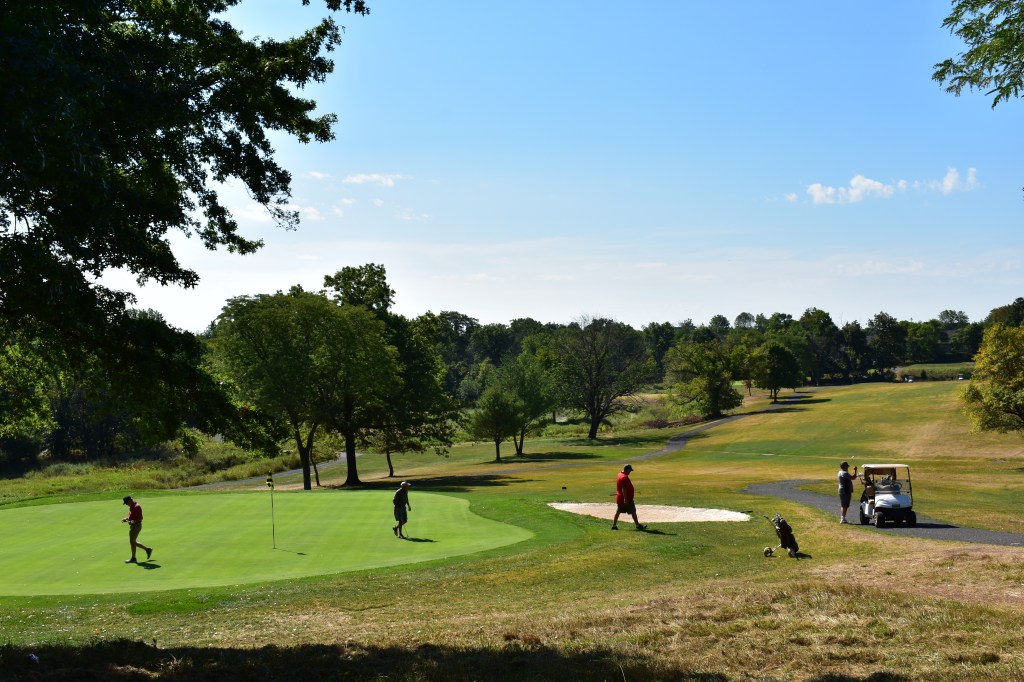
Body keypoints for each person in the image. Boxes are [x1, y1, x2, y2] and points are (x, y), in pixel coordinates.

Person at [612, 464, 646, 530]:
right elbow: (624, 489)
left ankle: (614, 525)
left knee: (618, 511)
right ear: (626, 470)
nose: (630, 472)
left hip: (620, 497)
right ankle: (638, 525)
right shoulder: (624, 477)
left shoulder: (620, 474)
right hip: (626, 499)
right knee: (633, 511)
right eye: (630, 470)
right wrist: (625, 499)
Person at [121, 495, 153, 563]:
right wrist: (126, 519)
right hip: (133, 526)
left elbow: (140, 518)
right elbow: (132, 516)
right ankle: (147, 549)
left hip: (136, 526)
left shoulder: (137, 507)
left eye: (126, 503)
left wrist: (133, 521)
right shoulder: (132, 506)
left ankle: (133, 558)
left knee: (132, 542)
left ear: (129, 501)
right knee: (133, 542)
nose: (126, 504)